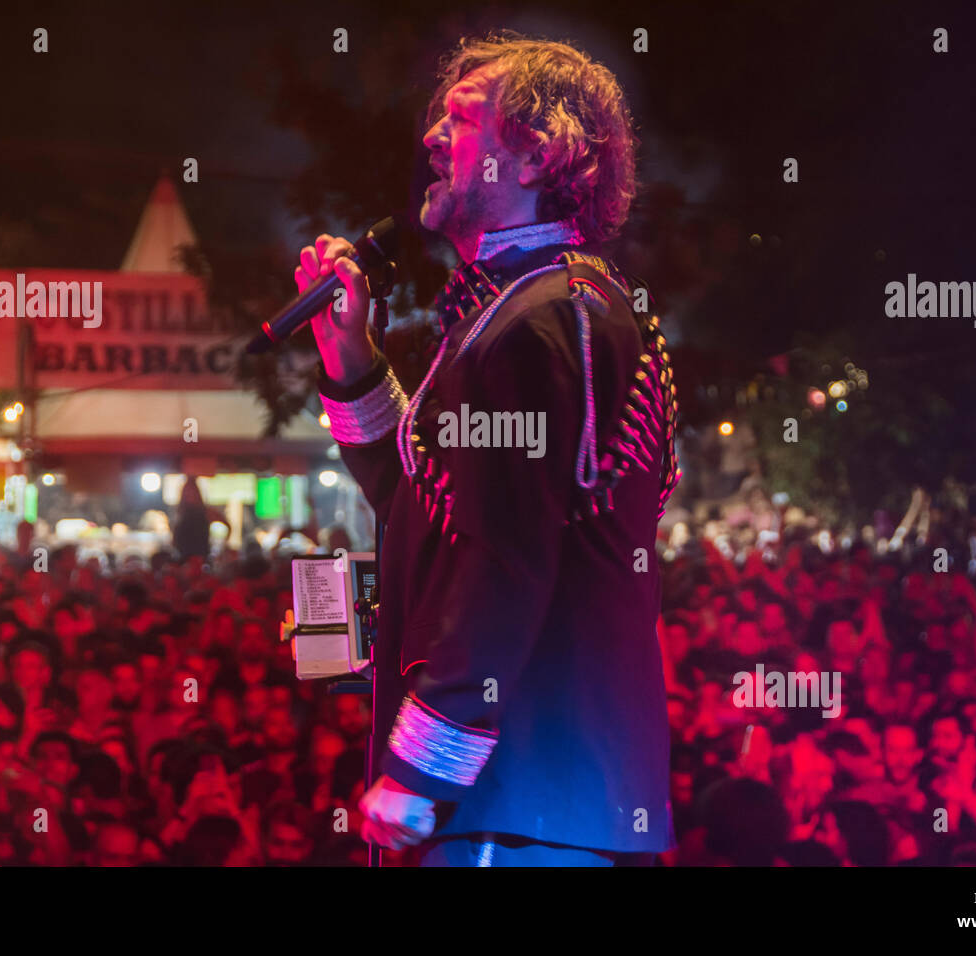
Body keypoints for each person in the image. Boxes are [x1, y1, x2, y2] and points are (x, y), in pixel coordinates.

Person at [300, 32, 679, 865]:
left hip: (528, 810)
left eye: (462, 120)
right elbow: (419, 502)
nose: (432, 135)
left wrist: (422, 769)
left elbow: (506, 556)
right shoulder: (519, 310)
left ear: (540, 154)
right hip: (529, 808)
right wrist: (351, 359)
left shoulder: (547, 315)